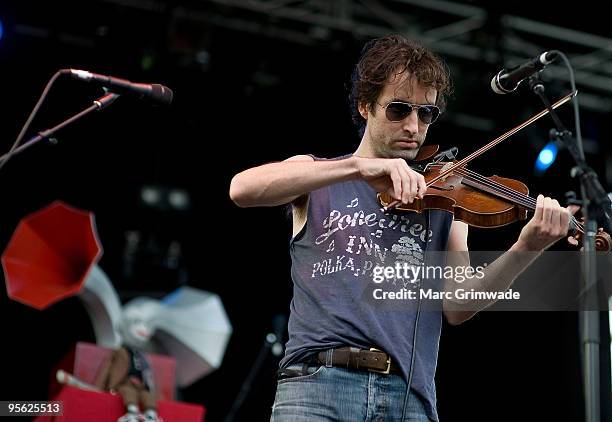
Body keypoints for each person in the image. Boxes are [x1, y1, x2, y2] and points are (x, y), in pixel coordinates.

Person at [229, 34, 576, 421]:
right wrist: (360, 167)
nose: (413, 126)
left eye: (425, 113)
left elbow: (459, 306)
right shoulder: (318, 174)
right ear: (365, 106)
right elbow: (242, 189)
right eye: (398, 110)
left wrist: (527, 247)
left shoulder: (444, 200)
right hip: (317, 387)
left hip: (408, 397)